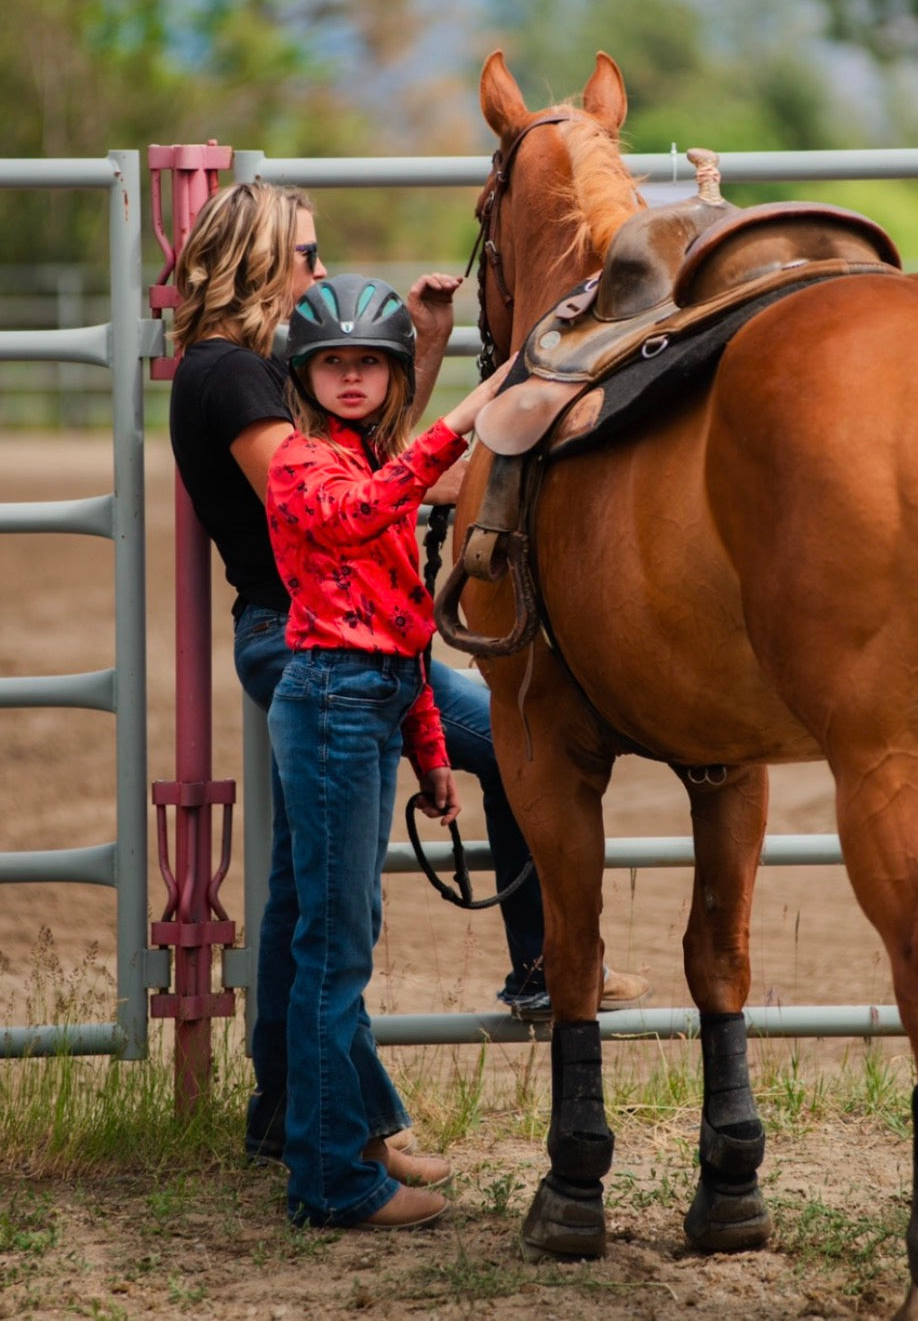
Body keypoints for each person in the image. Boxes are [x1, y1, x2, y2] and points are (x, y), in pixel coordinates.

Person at [166, 181, 646, 1168]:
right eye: (304, 252)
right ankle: (519, 987)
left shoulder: (240, 372)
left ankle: (292, 1110)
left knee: (306, 902)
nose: (317, 267)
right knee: (364, 893)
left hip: (328, 631)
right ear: (258, 259)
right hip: (310, 638)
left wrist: (422, 346)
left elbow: (367, 458)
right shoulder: (234, 380)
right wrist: (481, 399)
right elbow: (341, 508)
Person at [265, 274, 517, 1227]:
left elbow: (406, 620)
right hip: (330, 697)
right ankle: (330, 1182)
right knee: (333, 951)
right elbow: (359, 513)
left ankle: (353, 1140)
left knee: (343, 938)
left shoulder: (362, 456)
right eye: (335, 362)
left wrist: (430, 752)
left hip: (367, 697)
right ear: (307, 373)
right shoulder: (302, 464)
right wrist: (462, 417)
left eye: (371, 362)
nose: (353, 377)